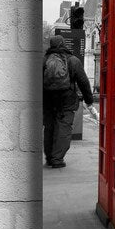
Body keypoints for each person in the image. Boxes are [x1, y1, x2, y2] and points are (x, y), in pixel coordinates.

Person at [42, 34, 94, 168]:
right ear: (63, 44)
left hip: (47, 100)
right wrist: (89, 100)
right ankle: (57, 159)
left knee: (49, 128)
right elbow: (83, 82)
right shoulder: (73, 60)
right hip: (67, 100)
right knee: (63, 128)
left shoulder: (44, 60)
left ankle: (49, 157)